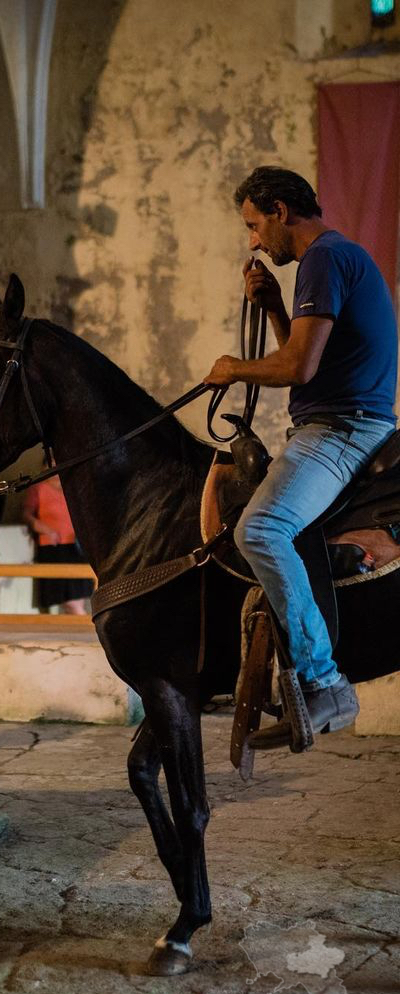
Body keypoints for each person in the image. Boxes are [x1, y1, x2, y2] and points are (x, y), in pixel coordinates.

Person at [205, 166, 397, 747]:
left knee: (260, 529)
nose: (254, 241)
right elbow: (308, 354)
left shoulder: (323, 258)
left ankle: (322, 680)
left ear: (281, 212)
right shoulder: (336, 258)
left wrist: (231, 368)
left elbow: (296, 369)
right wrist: (270, 306)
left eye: (255, 225)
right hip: (338, 421)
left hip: (341, 430)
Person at [23, 476, 91, 615]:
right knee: (69, 602)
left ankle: (80, 631)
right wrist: (44, 529)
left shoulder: (72, 485)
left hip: (76, 547)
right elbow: (26, 514)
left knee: (78, 599)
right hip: (53, 548)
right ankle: (86, 630)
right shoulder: (38, 487)